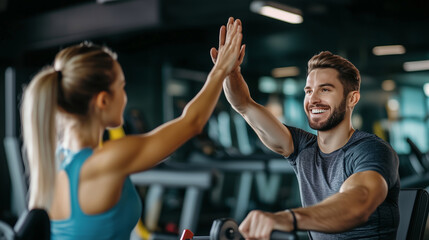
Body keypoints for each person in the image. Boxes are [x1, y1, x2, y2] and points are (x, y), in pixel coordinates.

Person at [20, 17, 244, 240]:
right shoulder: (106, 161)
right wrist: (221, 68)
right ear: (103, 101)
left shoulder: (54, 160)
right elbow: (192, 122)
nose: (125, 98)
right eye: (121, 87)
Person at [210, 40, 400, 238]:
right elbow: (243, 104)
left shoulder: (371, 150)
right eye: (309, 91)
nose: (313, 99)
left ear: (352, 98)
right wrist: (229, 72)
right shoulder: (303, 149)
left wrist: (288, 218)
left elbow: (359, 201)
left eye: (325, 89)